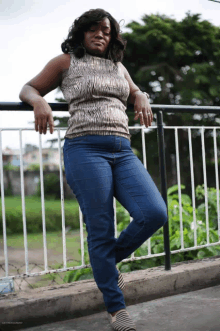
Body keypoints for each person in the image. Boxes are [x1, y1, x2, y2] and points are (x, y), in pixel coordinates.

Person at [19, 8, 168, 331]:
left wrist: (140, 94)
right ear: (81, 33)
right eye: (95, 29)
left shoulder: (118, 66)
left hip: (122, 150)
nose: (101, 34)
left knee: (155, 213)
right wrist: (39, 101)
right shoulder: (66, 62)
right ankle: (117, 309)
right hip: (85, 150)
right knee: (101, 228)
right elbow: (28, 88)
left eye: (107, 30)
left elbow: (133, 90)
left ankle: (106, 264)